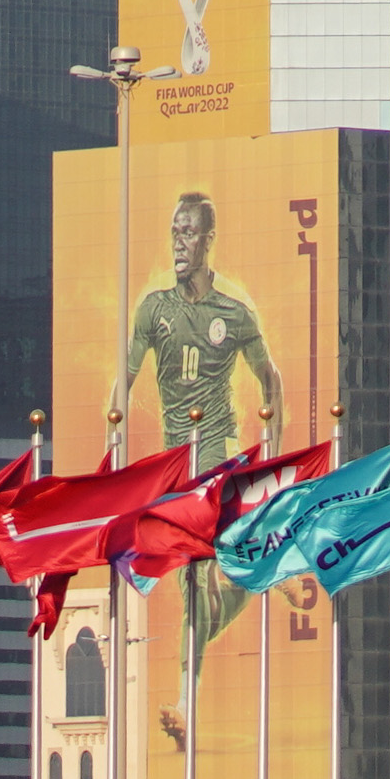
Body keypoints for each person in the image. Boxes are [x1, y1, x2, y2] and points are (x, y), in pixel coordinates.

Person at [111, 185, 287, 697]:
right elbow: (123, 378)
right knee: (200, 581)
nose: (179, 244)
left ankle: (187, 697)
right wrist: (112, 433)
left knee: (193, 573)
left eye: (188, 233)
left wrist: (269, 449)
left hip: (216, 449)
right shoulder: (153, 310)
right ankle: (253, 586)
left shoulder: (232, 314)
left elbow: (268, 376)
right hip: (174, 457)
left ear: (208, 240)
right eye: (174, 233)